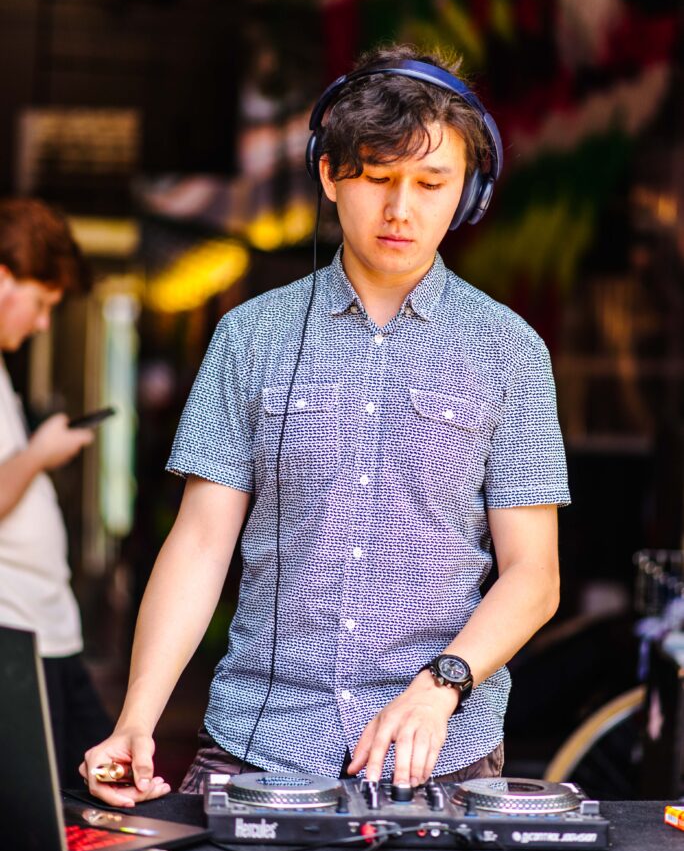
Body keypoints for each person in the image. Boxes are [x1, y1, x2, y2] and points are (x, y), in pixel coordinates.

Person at [82, 44, 570, 806]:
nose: (401, 209)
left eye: (431, 183)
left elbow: (534, 576)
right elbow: (201, 543)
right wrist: (136, 718)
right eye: (376, 177)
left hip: (441, 752)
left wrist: (442, 684)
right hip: (259, 745)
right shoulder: (249, 337)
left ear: (468, 192)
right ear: (330, 175)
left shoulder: (511, 351)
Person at [0, 198, 112, 787]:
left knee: (95, 785)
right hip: (15, 633)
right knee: (56, 803)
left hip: (46, 629)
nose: (43, 324)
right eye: (42, 303)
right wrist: (41, 453)